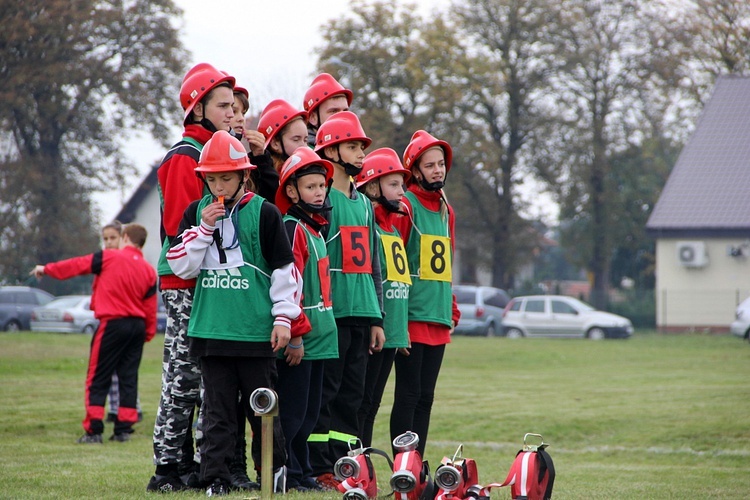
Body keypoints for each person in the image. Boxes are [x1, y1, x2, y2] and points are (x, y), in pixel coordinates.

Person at [166, 130, 299, 496]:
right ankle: (215, 479)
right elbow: (181, 267)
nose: (219, 185)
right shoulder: (196, 212)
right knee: (217, 415)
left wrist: (283, 319)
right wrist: (205, 227)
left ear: (244, 175)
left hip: (255, 332)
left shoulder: (266, 213)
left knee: (264, 411)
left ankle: (273, 474)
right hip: (211, 332)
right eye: (211, 178)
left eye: (226, 177)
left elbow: (285, 272)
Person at [148, 62, 235, 492]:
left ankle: (194, 463)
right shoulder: (186, 157)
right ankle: (167, 466)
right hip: (186, 280)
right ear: (196, 108)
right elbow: (180, 228)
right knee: (183, 376)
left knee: (203, 378)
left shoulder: (215, 152)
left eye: (233, 105)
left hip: (210, 279)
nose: (231, 112)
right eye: (221, 105)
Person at [308, 111, 384, 489]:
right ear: (332, 151)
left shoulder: (366, 205)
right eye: (353, 146)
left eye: (361, 147)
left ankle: (346, 466)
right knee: (328, 392)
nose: (360, 154)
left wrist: (378, 318)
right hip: (333, 314)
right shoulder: (325, 202)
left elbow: (375, 265)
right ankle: (319, 466)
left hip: (362, 312)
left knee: (353, 395)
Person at [30, 224, 157, 444]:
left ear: (125, 237)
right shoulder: (148, 270)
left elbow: (76, 265)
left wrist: (47, 269)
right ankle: (123, 429)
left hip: (112, 323)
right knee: (128, 377)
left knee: (98, 376)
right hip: (137, 326)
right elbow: (150, 307)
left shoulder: (109, 258)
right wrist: (147, 333)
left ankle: (94, 429)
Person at [391, 130, 460, 457]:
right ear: (414, 171)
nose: (437, 170)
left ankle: (417, 464)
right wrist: (397, 319)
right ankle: (403, 465)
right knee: (408, 394)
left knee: (426, 397)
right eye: (429, 165)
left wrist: (452, 303)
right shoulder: (406, 207)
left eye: (441, 164)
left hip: (437, 315)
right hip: (412, 314)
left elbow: (446, 259)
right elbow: (396, 263)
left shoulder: (447, 210)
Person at [275, 147, 339, 492]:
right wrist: (296, 335)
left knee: (310, 416)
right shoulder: (292, 228)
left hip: (323, 339)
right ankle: (291, 473)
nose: (318, 192)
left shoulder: (316, 230)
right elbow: (290, 287)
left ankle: (303, 472)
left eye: (321, 186)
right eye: (311, 186)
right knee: (294, 415)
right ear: (291, 191)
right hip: (303, 342)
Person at [354, 148, 412, 447]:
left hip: (392, 334)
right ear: (373, 186)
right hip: (374, 333)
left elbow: (399, 285)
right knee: (361, 404)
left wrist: (400, 332)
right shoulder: (372, 230)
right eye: (394, 185)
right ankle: (358, 463)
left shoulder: (393, 230)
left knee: (372, 405)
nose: (402, 192)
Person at [100, 221, 144, 425]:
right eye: (105, 239)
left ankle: (131, 408)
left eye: (113, 238)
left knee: (126, 372)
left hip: (127, 322)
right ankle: (114, 408)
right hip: (111, 320)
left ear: (122, 238)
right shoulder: (106, 261)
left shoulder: (129, 263)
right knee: (110, 369)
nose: (109, 243)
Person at [303, 73, 353, 148]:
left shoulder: (353, 152)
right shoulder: (305, 156)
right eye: (333, 111)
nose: (342, 117)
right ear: (313, 117)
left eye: (345, 111)